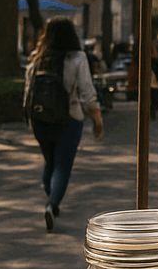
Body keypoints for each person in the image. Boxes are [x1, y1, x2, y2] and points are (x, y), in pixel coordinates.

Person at [23, 17, 104, 232]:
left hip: (40, 119)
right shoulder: (78, 58)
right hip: (70, 118)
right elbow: (87, 91)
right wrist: (96, 117)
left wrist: (29, 116)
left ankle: (52, 198)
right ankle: (52, 204)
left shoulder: (37, 58)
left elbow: (28, 90)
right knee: (62, 165)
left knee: (49, 161)